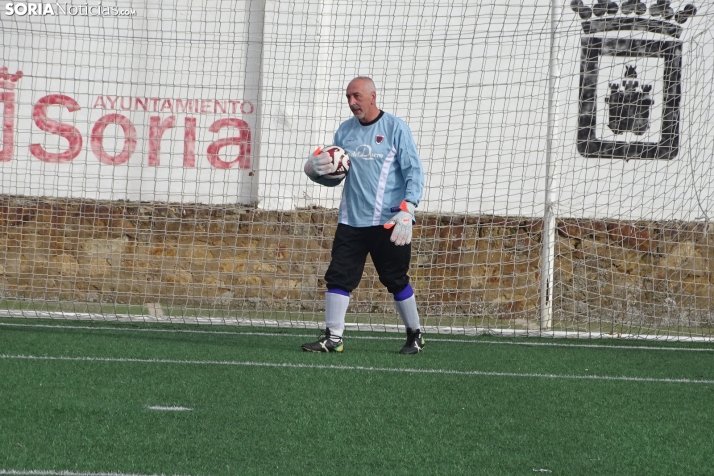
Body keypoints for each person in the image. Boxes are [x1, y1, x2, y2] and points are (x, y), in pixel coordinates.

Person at [302, 76, 426, 354]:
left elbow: (413, 171)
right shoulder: (344, 131)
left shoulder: (395, 128)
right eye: (348, 97)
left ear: (372, 96)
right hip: (351, 221)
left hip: (389, 221)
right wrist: (315, 173)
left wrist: (409, 208)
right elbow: (337, 176)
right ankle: (333, 338)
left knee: (395, 279)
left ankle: (415, 334)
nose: (352, 102)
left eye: (356, 96)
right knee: (338, 277)